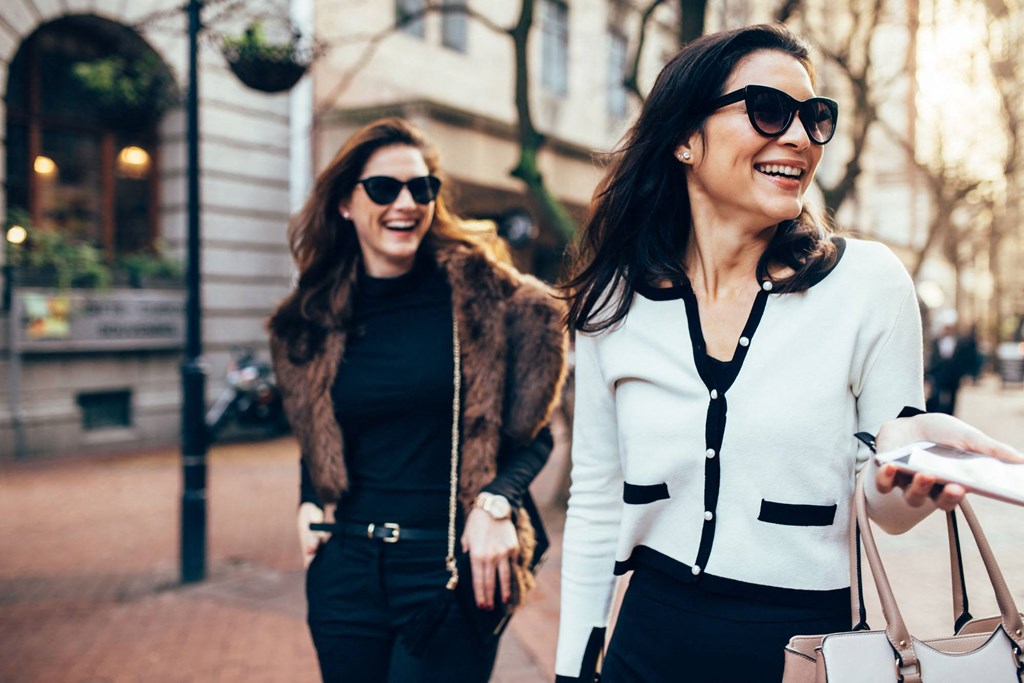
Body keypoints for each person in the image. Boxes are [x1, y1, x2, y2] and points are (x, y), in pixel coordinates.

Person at [554, 24, 1001, 683]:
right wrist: (572, 667)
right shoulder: (613, 302)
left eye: (815, 118)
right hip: (644, 641)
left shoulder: (867, 285)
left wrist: (906, 473)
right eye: (768, 110)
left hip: (801, 650)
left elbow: (884, 504)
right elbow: (595, 496)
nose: (798, 137)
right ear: (684, 138)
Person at [268, 118, 566, 682]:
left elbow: (536, 434)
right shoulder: (316, 318)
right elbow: (321, 428)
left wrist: (496, 503)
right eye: (384, 188)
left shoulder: (486, 302)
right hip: (347, 572)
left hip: (448, 572)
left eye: (421, 188)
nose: (406, 202)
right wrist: (309, 501)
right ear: (345, 205)